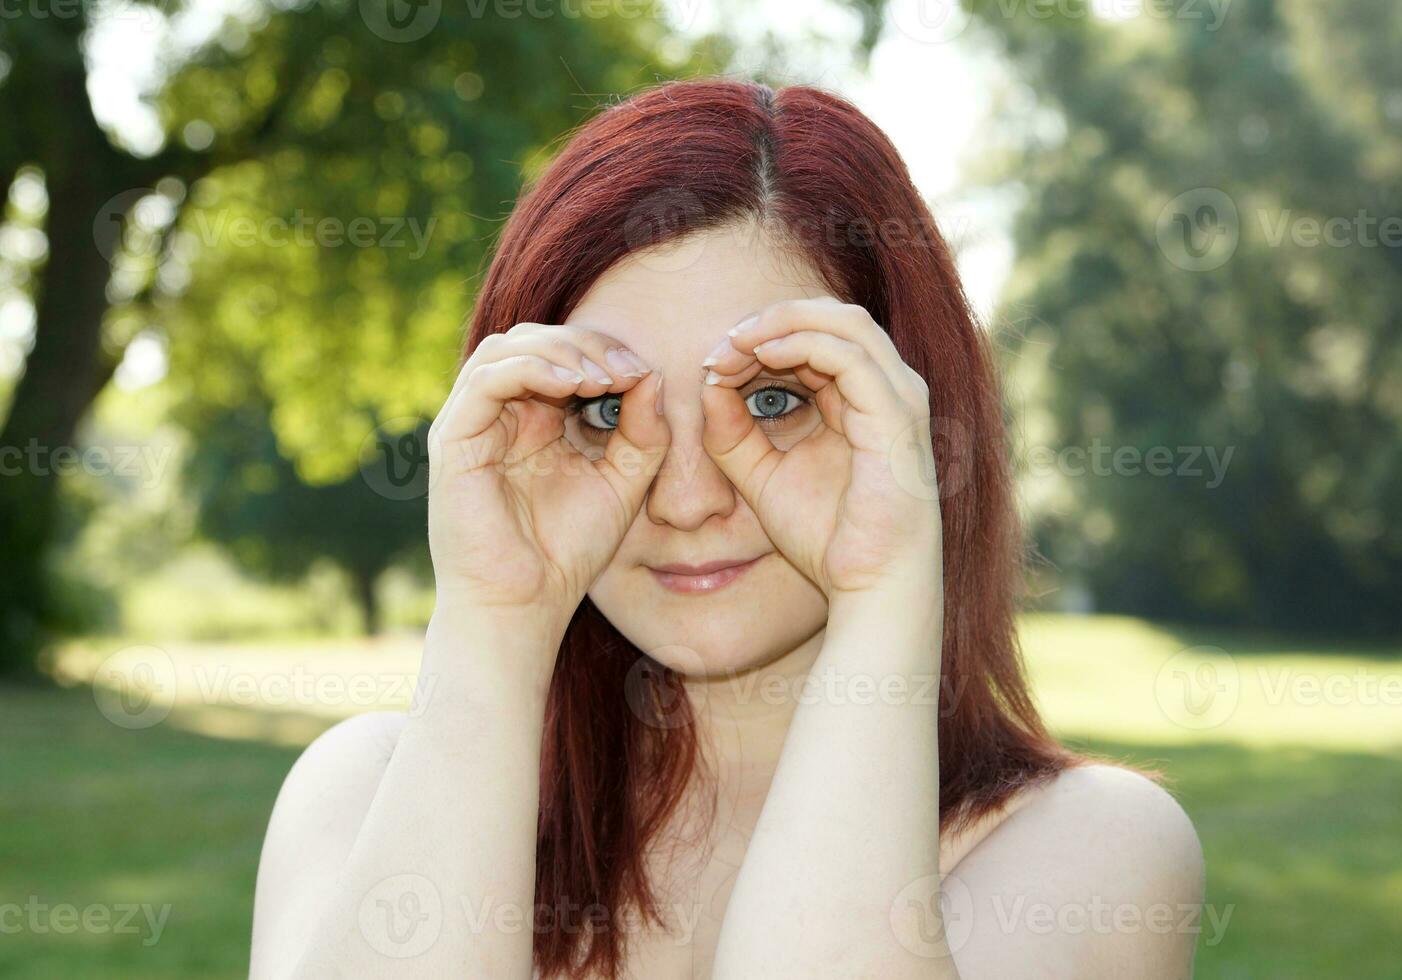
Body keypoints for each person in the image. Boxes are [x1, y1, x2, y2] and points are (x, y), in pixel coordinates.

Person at [247, 77, 1204, 980]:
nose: (685, 498)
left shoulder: (1094, 848)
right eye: (606, 410)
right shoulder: (360, 793)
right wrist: (497, 614)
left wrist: (884, 586)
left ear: (916, 415)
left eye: (775, 399)